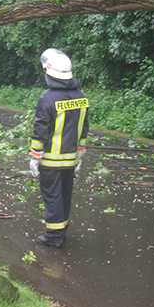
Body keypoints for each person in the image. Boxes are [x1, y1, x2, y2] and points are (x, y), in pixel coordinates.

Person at [29, 49, 89, 248]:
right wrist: (80, 154)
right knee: (64, 196)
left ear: (49, 73)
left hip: (51, 161)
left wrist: (35, 157)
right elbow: (83, 129)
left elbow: (40, 131)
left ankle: (53, 237)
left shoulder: (47, 99)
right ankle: (61, 231)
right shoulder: (81, 97)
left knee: (52, 196)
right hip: (70, 159)